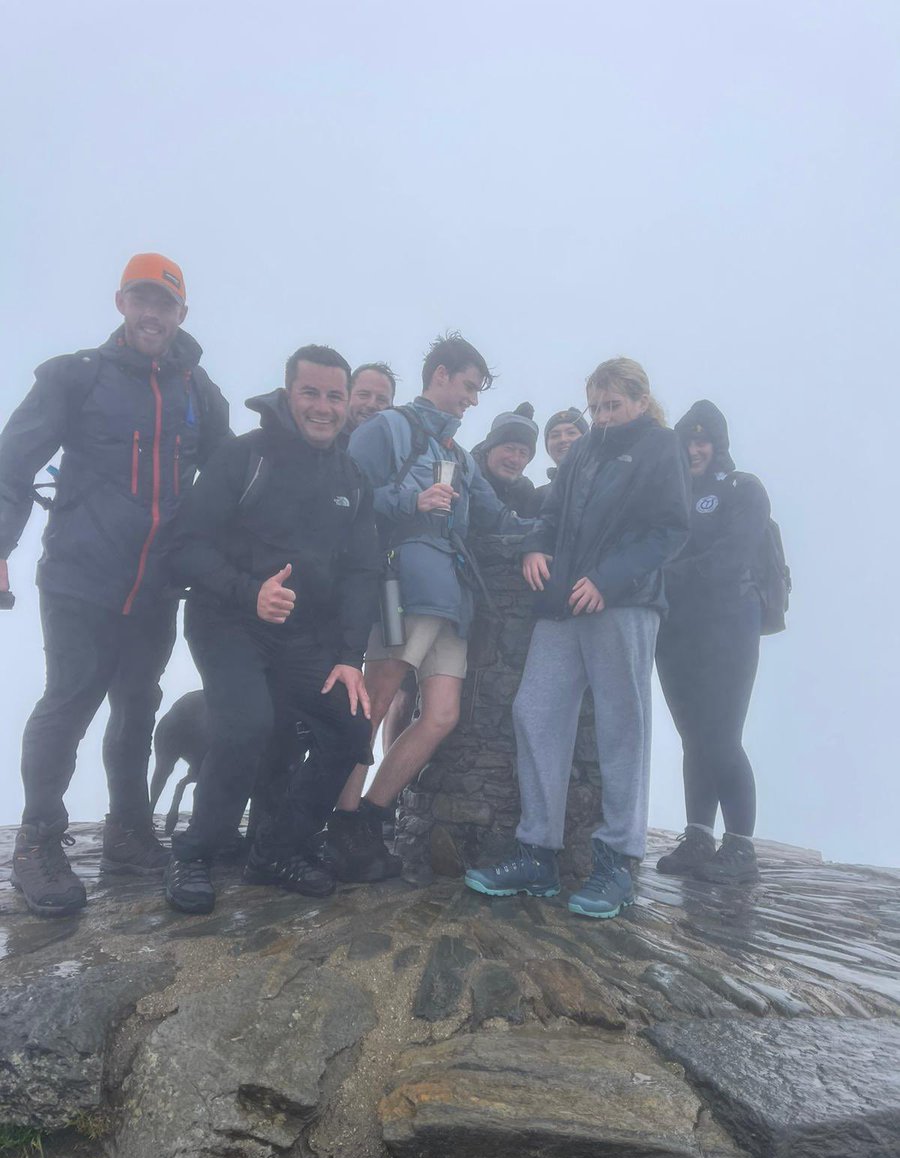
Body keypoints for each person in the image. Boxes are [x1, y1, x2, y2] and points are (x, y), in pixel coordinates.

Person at [0, 253, 230, 918]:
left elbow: (228, 480)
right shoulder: (78, 376)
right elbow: (13, 465)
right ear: (122, 304)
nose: (152, 313)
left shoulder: (198, 389)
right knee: (69, 702)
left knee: (138, 705)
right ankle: (38, 843)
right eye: (141, 299)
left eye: (165, 303)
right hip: (80, 576)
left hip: (156, 584)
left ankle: (128, 830)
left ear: (181, 314)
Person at [465, 357, 690, 918]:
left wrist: (609, 579)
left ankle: (617, 863)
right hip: (561, 603)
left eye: (613, 405)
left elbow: (669, 530)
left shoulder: (663, 446)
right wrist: (535, 546)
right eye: (597, 407)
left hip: (624, 603)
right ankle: (537, 852)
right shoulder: (586, 450)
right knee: (534, 710)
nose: (604, 417)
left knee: (622, 725)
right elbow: (549, 512)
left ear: (640, 399)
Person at [164, 345, 381, 914]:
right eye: (310, 393)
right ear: (288, 395)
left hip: (301, 639)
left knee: (351, 727)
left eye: (335, 395)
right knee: (247, 726)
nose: (323, 407)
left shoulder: (351, 478)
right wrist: (247, 591)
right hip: (226, 620)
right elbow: (184, 546)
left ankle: (275, 849)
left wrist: (347, 657)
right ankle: (194, 854)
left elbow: (362, 570)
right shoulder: (245, 456)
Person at [328, 333, 534, 878]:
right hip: (405, 584)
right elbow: (344, 495)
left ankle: (371, 816)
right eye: (467, 386)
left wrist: (550, 540)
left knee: (440, 716)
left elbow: (498, 522)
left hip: (454, 596)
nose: (471, 399)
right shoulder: (387, 428)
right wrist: (410, 500)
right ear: (439, 375)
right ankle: (340, 822)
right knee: (372, 707)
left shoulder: (458, 457)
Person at [654, 400, 771, 884]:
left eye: (703, 440)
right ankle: (699, 836)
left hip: (728, 627)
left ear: (717, 444)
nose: (694, 448)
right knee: (693, 738)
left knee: (721, 736)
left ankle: (740, 846)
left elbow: (730, 559)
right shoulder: (670, 495)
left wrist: (664, 574)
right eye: (687, 440)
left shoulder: (743, 489)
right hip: (676, 631)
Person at [471, 403, 542, 516]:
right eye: (509, 449)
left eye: (523, 453)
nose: (515, 459)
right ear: (489, 448)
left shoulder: (526, 493)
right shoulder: (465, 477)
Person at [534, 408, 588, 507]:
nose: (563, 439)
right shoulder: (537, 497)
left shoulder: (603, 483)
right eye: (555, 435)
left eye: (571, 433)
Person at [337, 362, 397, 448]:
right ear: (347, 395)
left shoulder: (397, 450)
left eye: (381, 400)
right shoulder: (324, 440)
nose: (371, 405)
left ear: (391, 406)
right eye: (363, 395)